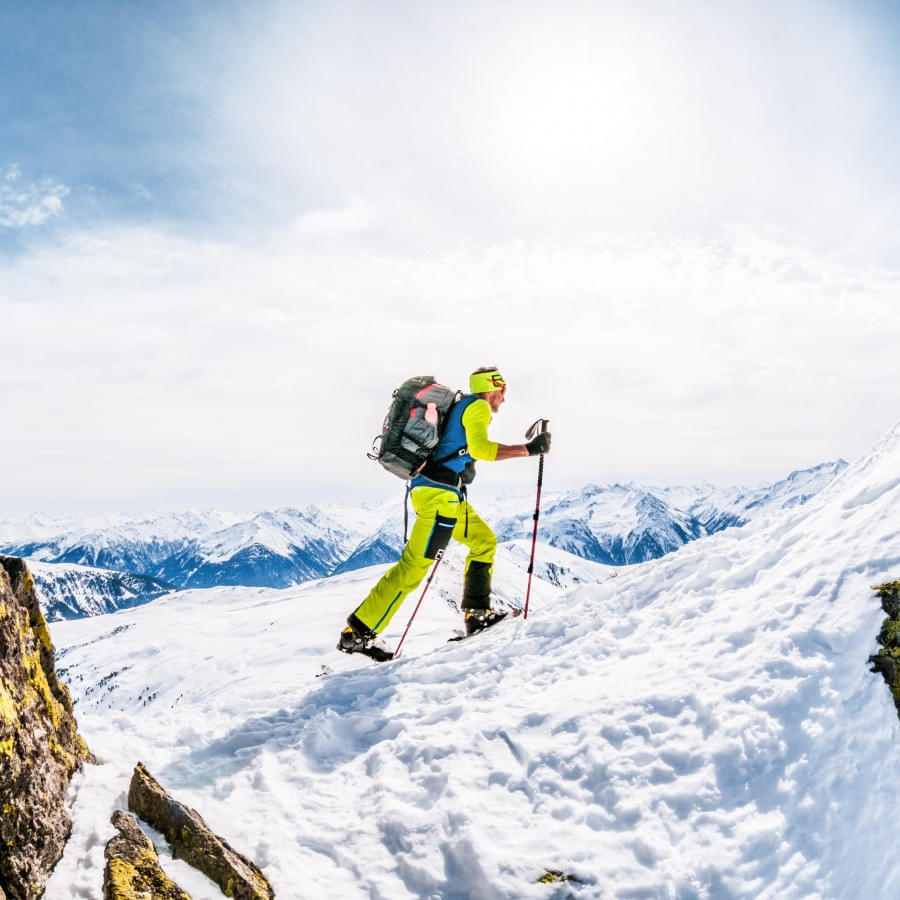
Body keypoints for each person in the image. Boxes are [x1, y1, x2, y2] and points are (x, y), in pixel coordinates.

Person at [338, 366, 552, 659]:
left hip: (444, 494)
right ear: (491, 388)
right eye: (502, 390)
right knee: (413, 568)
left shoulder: (463, 405)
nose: (504, 397)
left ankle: (477, 615)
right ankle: (358, 634)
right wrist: (528, 450)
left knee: (483, 541)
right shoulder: (477, 407)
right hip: (439, 496)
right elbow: (482, 449)